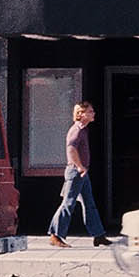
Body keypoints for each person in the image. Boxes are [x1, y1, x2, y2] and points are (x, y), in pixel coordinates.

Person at [48, 101, 112, 247]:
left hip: (82, 172)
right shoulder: (76, 130)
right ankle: (55, 235)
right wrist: (80, 167)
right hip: (76, 172)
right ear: (81, 114)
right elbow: (71, 149)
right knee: (68, 203)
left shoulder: (83, 129)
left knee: (89, 204)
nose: (93, 113)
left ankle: (98, 235)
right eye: (90, 111)